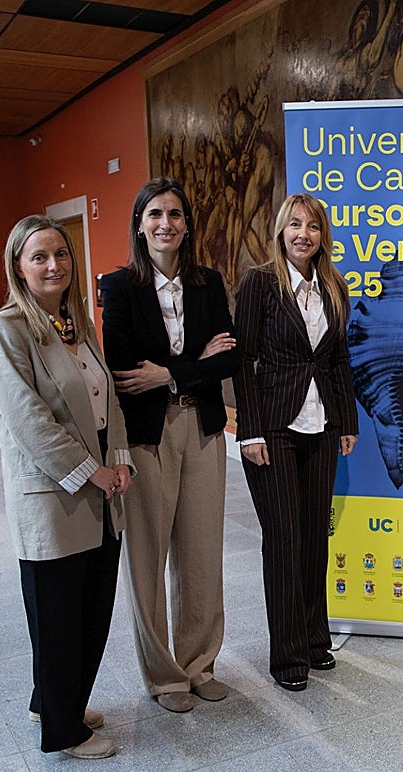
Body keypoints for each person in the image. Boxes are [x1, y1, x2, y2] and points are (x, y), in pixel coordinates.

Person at [0, 215, 133, 759]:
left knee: (90, 609)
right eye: (39, 257)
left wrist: (120, 462)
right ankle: (64, 731)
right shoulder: (6, 329)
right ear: (18, 266)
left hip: (102, 490)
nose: (54, 265)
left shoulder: (76, 324)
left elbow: (107, 398)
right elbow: (29, 421)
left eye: (61, 254)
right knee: (58, 615)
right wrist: (91, 470)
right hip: (53, 494)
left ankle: (54, 701)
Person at [100, 177, 238, 713]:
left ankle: (199, 664)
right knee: (148, 555)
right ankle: (164, 676)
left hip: (202, 427)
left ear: (187, 224)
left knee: (202, 553)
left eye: (175, 214)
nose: (166, 224)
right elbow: (125, 368)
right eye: (155, 214)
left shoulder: (208, 283)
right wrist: (195, 363)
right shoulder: (119, 287)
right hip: (147, 435)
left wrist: (172, 374)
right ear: (140, 225)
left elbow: (229, 357)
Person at [233, 193, 359, 691]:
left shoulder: (333, 286)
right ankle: (287, 658)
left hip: (321, 425)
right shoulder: (261, 282)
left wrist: (346, 420)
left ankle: (313, 640)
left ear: (323, 235)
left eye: (313, 226)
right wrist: (248, 430)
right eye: (294, 225)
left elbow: (337, 358)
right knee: (284, 540)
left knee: (313, 539)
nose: (303, 234)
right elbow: (243, 360)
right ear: (280, 231)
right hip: (273, 427)